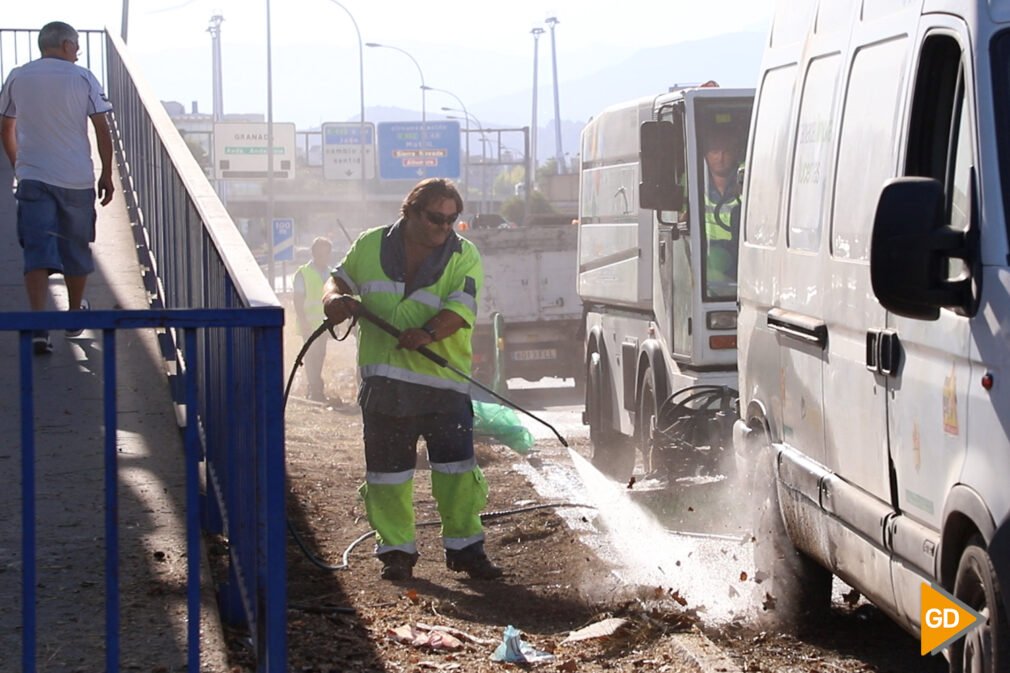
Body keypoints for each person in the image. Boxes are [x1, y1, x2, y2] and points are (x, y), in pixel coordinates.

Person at [321, 177, 502, 582]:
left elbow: (461, 308)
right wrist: (334, 300)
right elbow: (338, 280)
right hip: (385, 388)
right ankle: (396, 553)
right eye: (436, 218)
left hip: (443, 388)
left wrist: (429, 333)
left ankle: (465, 550)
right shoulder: (369, 245)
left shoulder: (463, 255)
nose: (444, 227)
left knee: (457, 472)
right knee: (387, 475)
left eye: (452, 220)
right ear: (410, 211)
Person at [0, 21, 114, 355]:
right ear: (65, 45)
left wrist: (17, 162)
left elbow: (6, 125)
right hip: (75, 179)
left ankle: (39, 325)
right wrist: (106, 173)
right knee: (76, 248)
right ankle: (74, 314)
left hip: (33, 176)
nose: (78, 51)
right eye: (76, 45)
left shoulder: (18, 76)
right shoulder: (83, 78)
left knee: (36, 249)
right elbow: (102, 126)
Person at [293, 236, 335, 403]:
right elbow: (298, 298)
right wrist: (303, 320)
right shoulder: (303, 273)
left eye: (326, 254)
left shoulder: (331, 273)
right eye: (320, 253)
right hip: (309, 323)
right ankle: (315, 388)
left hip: (324, 324)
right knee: (311, 355)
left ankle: (315, 386)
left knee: (320, 354)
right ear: (314, 253)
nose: (323, 257)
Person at [702, 126, 742, 285]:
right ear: (705, 155)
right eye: (715, 151)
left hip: (741, 249)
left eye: (726, 151)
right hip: (708, 251)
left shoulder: (750, 176)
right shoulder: (692, 183)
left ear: (736, 153)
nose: (721, 157)